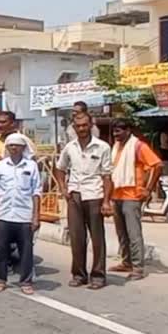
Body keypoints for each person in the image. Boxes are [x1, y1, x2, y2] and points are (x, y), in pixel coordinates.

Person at [55, 112, 113, 289]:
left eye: (84, 125)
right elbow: (60, 168)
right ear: (74, 127)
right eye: (78, 126)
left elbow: (107, 176)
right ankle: (79, 274)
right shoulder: (70, 147)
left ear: (91, 125)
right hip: (75, 195)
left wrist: (106, 201)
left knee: (97, 238)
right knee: (76, 238)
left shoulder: (102, 147)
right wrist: (63, 188)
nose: (81, 129)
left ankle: (98, 275)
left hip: (95, 195)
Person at [0, 132, 42, 294]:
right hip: (4, 213)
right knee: (0, 249)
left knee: (26, 249)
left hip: (24, 215)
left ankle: (26, 281)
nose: (13, 148)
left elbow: (36, 192)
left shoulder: (31, 166)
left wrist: (36, 216)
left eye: (16, 146)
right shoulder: (1, 166)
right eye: (10, 145)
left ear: (23, 148)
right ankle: (0, 279)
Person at [108, 118, 162, 280]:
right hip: (116, 194)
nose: (116, 134)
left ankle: (138, 267)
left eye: (119, 130)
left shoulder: (138, 146)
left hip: (132, 195)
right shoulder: (116, 147)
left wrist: (148, 189)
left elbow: (157, 165)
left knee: (133, 233)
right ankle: (126, 262)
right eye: (114, 131)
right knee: (121, 233)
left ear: (128, 131)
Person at [0, 111, 34, 206]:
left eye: (3, 122)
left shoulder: (25, 141)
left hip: (20, 194)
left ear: (13, 123)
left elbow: (33, 166)